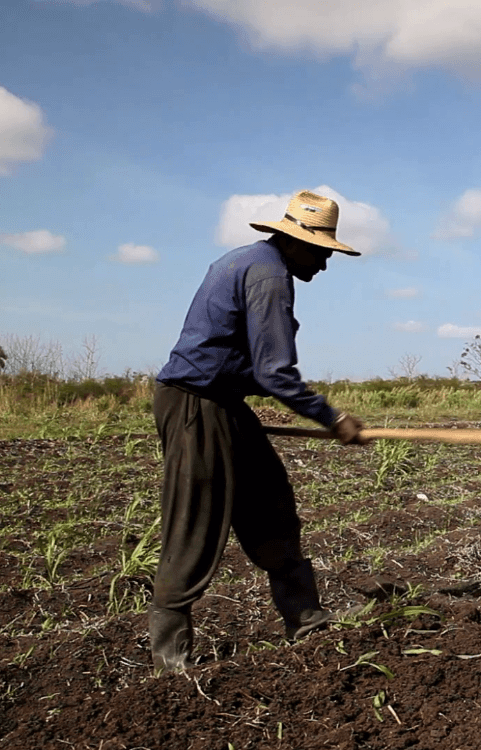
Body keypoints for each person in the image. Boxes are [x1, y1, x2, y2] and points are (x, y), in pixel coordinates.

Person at [149, 189, 369, 674]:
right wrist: (332, 417)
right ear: (295, 242)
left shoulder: (250, 262)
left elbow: (249, 368)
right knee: (194, 523)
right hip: (196, 403)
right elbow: (275, 373)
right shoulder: (269, 275)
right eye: (323, 251)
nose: (326, 264)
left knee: (270, 500)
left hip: (224, 402)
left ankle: (306, 619)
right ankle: (170, 662)